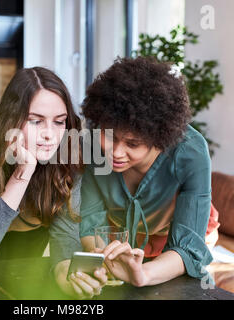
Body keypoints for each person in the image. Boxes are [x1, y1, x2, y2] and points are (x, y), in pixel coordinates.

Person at [0, 66, 107, 299]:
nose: (50, 135)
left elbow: (65, 232)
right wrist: (22, 174)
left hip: (26, 274)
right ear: (11, 120)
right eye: (36, 121)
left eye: (59, 122)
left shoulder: (70, 146)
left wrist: (65, 272)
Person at [78, 56, 220, 287]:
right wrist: (104, 262)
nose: (116, 152)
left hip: (179, 233)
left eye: (132, 144)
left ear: (161, 139)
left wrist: (143, 275)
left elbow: (188, 247)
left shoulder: (191, 152)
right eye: (110, 137)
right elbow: (91, 220)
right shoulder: (93, 146)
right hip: (121, 236)